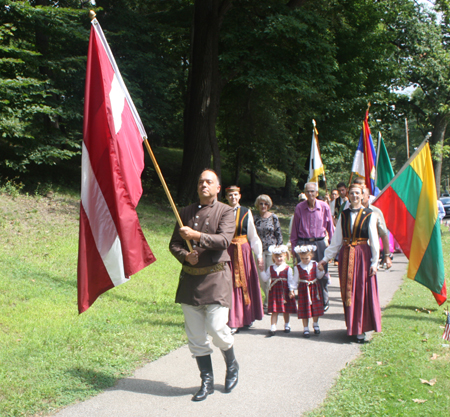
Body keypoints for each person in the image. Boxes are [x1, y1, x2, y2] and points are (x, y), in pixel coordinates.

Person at [169, 169, 238, 401]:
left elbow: (224, 241)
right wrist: (184, 256)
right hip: (190, 281)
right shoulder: (185, 212)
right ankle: (206, 381)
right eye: (200, 182)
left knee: (218, 329)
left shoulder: (227, 211)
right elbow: (174, 244)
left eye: (209, 182)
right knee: (196, 337)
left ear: (218, 188)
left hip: (216, 278)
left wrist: (196, 236)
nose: (204, 185)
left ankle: (232, 364)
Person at [318, 183, 381, 344]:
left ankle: (361, 329)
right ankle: (352, 326)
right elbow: (336, 240)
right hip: (346, 256)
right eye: (351, 193)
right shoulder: (343, 215)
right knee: (348, 292)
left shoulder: (370, 214)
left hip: (362, 255)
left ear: (362, 196)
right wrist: (325, 259)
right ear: (348, 196)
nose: (354, 196)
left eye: (357, 193)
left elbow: (374, 240)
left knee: (361, 291)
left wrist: (374, 262)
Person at [225, 185, 264, 334]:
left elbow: (253, 236)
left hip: (243, 251)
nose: (233, 198)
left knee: (245, 282)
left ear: (239, 196)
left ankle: (247, 317)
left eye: (235, 195)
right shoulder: (223, 211)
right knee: (232, 284)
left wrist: (259, 255)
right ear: (227, 197)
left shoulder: (246, 212)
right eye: (230, 195)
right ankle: (234, 320)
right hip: (229, 251)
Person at [290, 182, 334, 310]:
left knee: (321, 271)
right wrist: (293, 247)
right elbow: (294, 229)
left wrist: (331, 247)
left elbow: (330, 227)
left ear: (317, 193)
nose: (310, 194)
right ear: (305, 193)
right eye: (308, 191)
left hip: (319, 242)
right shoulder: (299, 207)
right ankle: (306, 301)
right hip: (303, 243)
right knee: (304, 272)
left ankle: (324, 300)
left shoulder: (324, 207)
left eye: (313, 191)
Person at [254, 194, 283, 311]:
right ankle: (267, 299)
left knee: (270, 277)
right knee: (261, 278)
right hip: (259, 251)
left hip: (272, 251)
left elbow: (279, 234)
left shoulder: (273, 217)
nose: (263, 206)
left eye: (265, 204)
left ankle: (269, 303)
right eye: (261, 203)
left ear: (269, 205)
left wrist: (279, 250)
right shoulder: (254, 218)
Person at [260, 245, 297, 336]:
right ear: (273, 257)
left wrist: (291, 290)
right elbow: (265, 279)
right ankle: (273, 326)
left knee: (286, 310)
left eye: (280, 256)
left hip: (284, 292)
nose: (279, 258)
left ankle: (287, 324)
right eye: (276, 257)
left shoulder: (288, 268)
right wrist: (261, 271)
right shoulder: (271, 268)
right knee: (274, 310)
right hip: (274, 291)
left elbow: (290, 280)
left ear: (284, 256)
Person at [290, 244, 325, 338]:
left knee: (315, 307)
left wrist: (321, 270)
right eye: (302, 258)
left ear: (311, 256)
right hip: (303, 290)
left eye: (307, 258)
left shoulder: (315, 264)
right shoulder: (298, 267)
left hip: (314, 288)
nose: (305, 260)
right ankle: (305, 328)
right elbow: (295, 279)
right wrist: (292, 290)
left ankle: (315, 324)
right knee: (304, 308)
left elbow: (319, 276)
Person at [361, 187, 392, 269]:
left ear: (368, 197)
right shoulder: (350, 212)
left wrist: (387, 256)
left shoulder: (375, 212)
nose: (361, 196)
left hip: (372, 251)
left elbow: (384, 234)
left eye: (363, 193)